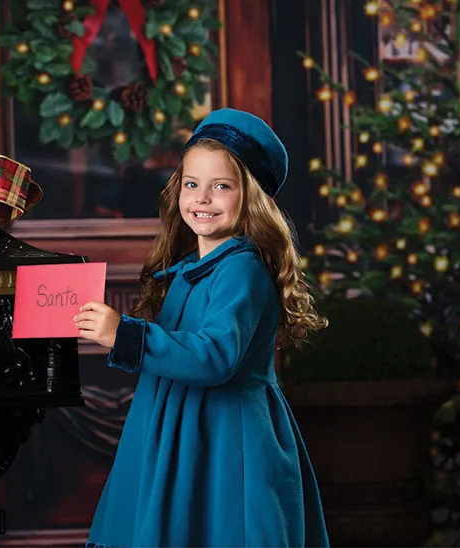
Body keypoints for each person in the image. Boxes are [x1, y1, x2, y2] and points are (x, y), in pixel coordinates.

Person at [74, 108, 330, 547]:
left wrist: (126, 335)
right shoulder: (192, 267)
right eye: (192, 184)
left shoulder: (243, 269)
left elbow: (214, 356)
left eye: (221, 186)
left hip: (226, 437)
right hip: (180, 429)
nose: (202, 198)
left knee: (222, 528)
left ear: (250, 197)